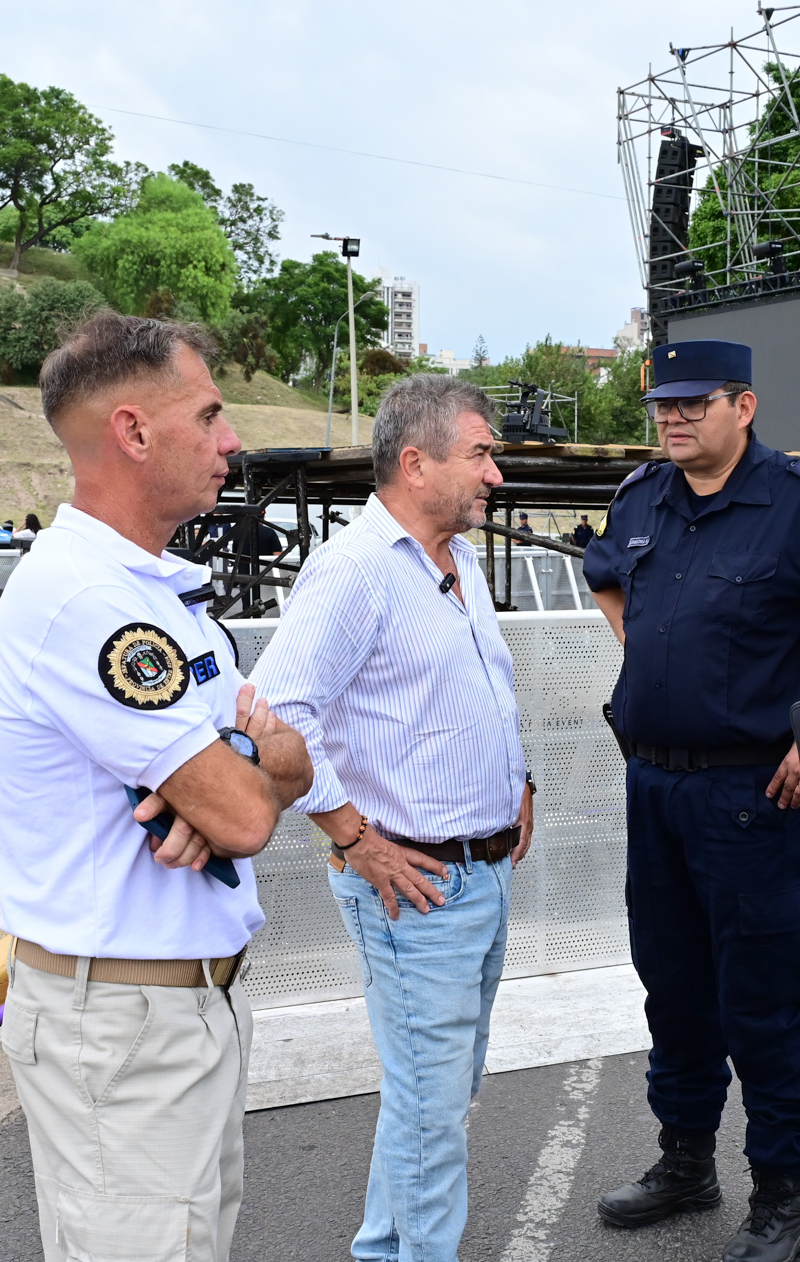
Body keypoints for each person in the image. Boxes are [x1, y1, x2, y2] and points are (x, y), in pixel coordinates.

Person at [0, 312, 313, 1262]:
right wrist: (244, 774)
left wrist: (241, 771)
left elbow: (282, 764)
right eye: (208, 416)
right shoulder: (85, 600)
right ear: (132, 432)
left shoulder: (156, 590)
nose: (232, 439)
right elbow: (250, 807)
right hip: (123, 1022)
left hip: (183, 1006)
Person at [583, 339, 800, 1262]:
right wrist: (644, 645)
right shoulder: (641, 497)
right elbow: (606, 572)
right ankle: (686, 1158)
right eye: (662, 405)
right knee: (672, 985)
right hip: (654, 784)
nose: (672, 418)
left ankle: (780, 1195)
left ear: (745, 406)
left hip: (753, 793)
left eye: (692, 403)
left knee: (759, 996)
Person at [253, 374, 534, 1262]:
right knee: (432, 1106)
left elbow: (480, 686)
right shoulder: (355, 570)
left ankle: (384, 1249)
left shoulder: (456, 560)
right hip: (415, 882)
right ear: (416, 462)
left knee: (432, 1096)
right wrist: (354, 838)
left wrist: (517, 777)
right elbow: (278, 715)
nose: (496, 473)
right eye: (481, 453)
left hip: (475, 873)